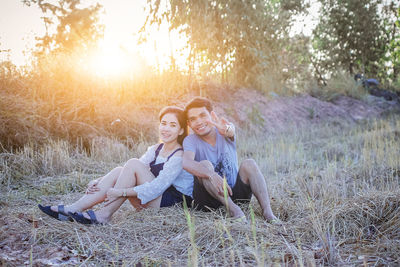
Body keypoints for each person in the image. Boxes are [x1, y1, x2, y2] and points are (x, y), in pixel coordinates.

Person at [38, 106, 193, 224]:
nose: (166, 128)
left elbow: (156, 188)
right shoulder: (156, 149)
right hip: (152, 200)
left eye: (172, 125)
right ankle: (73, 209)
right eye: (163, 123)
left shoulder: (179, 156)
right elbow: (129, 171)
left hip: (169, 204)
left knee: (132, 163)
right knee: (122, 168)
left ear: (180, 130)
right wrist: (99, 180)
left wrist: (121, 192)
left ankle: (104, 215)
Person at [182, 97, 279, 223]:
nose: (199, 121)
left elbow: (230, 130)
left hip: (235, 194)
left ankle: (268, 212)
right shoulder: (190, 140)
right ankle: (234, 211)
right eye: (193, 119)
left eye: (202, 115)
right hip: (209, 199)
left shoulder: (223, 130)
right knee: (205, 165)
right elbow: (186, 162)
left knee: (249, 163)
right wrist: (211, 175)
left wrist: (227, 130)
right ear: (189, 124)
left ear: (212, 115)